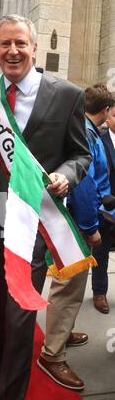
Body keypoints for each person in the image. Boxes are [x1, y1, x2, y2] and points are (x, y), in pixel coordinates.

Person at [0, 14, 91, 400]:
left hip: (35, 224)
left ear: (35, 48)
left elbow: (80, 155)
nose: (13, 51)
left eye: (20, 43)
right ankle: (0, 380)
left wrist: (67, 175)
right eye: (5, 44)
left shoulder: (67, 94)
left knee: (18, 317)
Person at [38, 84, 115, 390]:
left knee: (68, 286)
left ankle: (62, 331)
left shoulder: (82, 127)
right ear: (106, 110)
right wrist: (90, 226)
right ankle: (52, 354)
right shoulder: (86, 134)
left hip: (72, 219)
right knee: (68, 288)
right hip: (77, 223)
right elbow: (83, 185)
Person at [91, 103, 115, 313]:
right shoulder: (99, 140)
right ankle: (99, 293)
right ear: (108, 117)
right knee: (101, 252)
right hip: (106, 209)